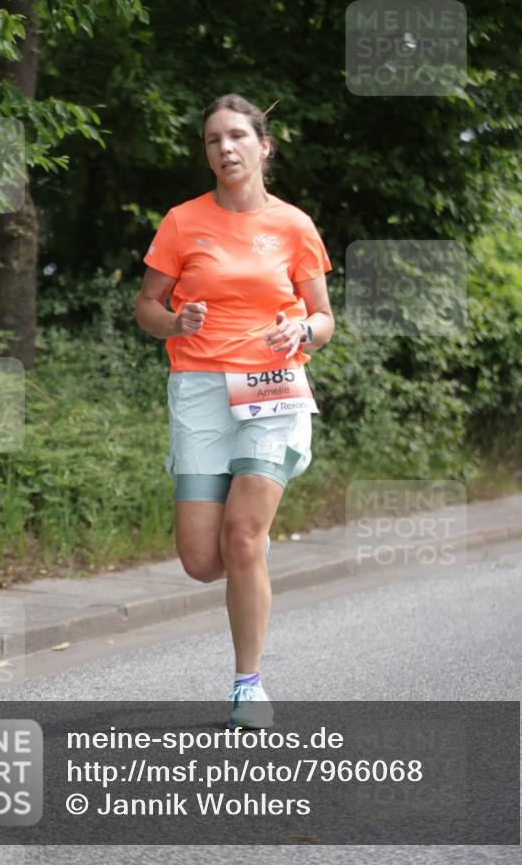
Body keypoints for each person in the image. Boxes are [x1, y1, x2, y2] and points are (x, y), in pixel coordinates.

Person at [134, 93, 334, 728]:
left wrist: (303, 331)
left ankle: (249, 685)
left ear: (263, 147)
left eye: (237, 136)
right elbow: (146, 308)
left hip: (271, 384)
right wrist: (176, 320)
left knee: (241, 536)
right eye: (213, 139)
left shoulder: (295, 226)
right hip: (199, 389)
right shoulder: (181, 222)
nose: (225, 148)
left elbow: (324, 316)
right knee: (203, 560)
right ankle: (248, 550)